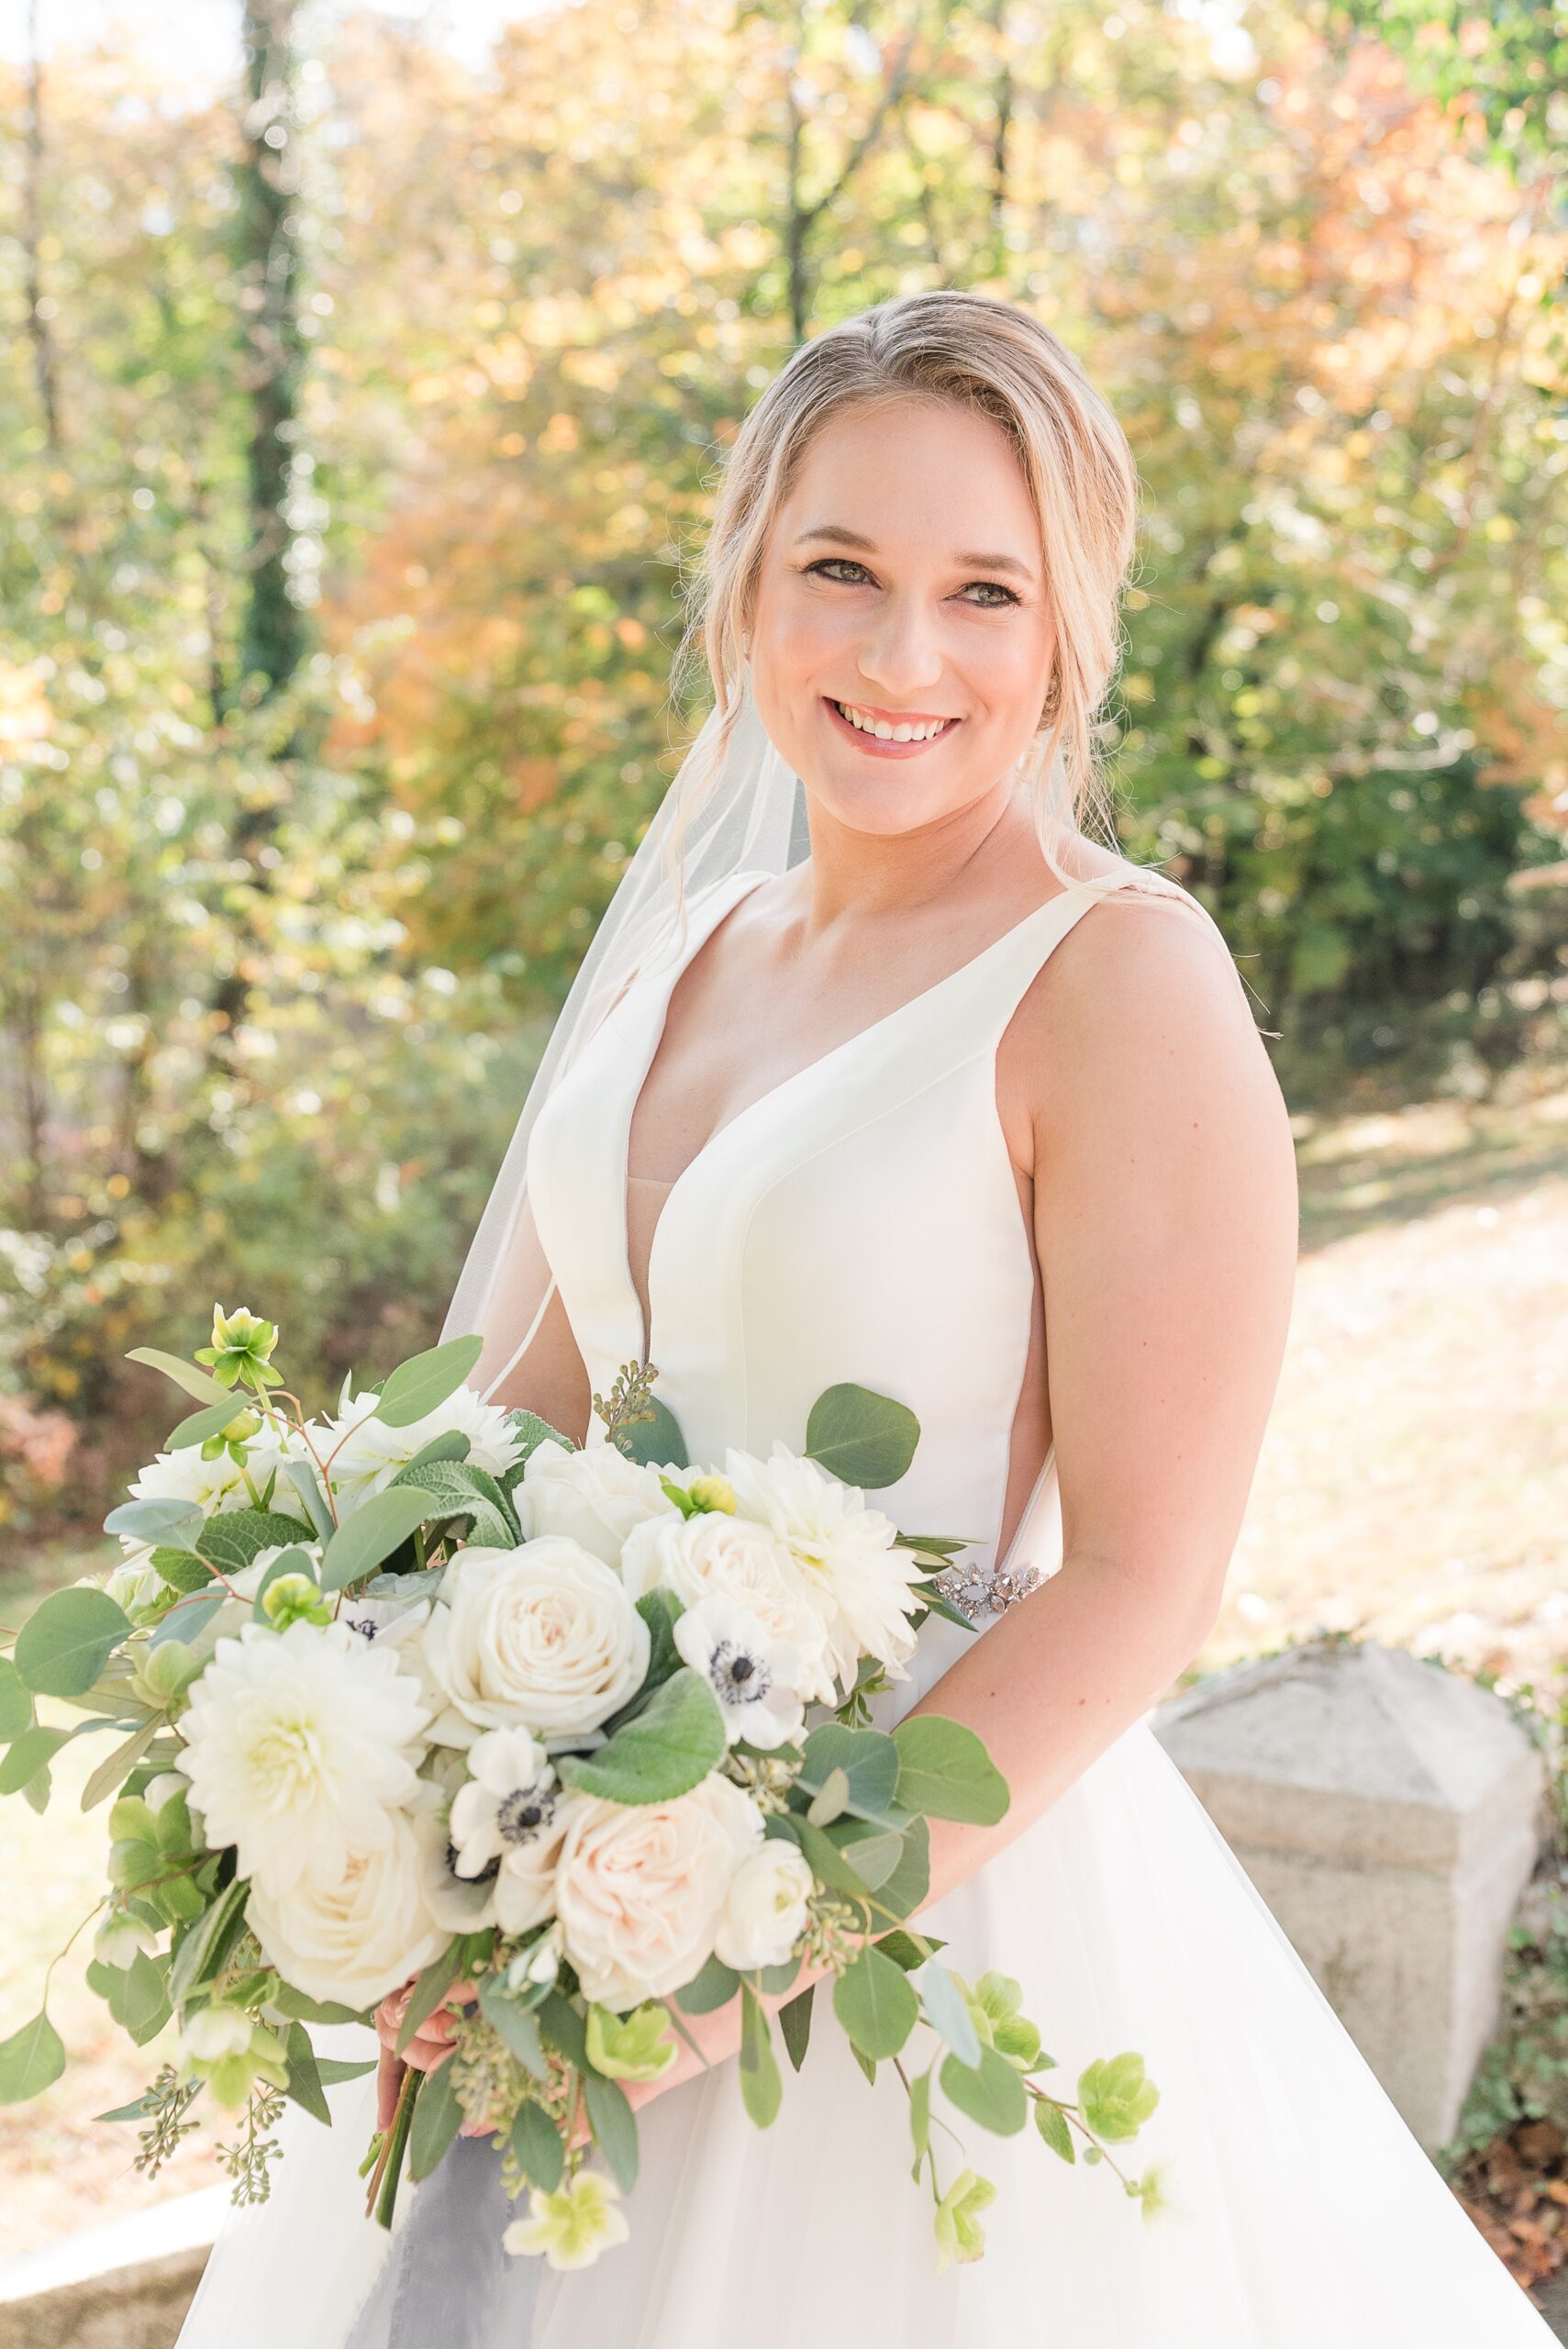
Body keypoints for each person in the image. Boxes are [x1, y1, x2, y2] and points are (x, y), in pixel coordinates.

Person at [175, 291, 1554, 2346]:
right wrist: (345, 1732)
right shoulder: (693, 942)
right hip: (537, 1896)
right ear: (745, 578)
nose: (906, 658)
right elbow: (510, 1432)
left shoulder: (1119, 981)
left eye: (984, 591)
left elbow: (1147, 1577)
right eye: (844, 571)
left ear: (1066, 635)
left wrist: (749, 1934)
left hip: (909, 1919)